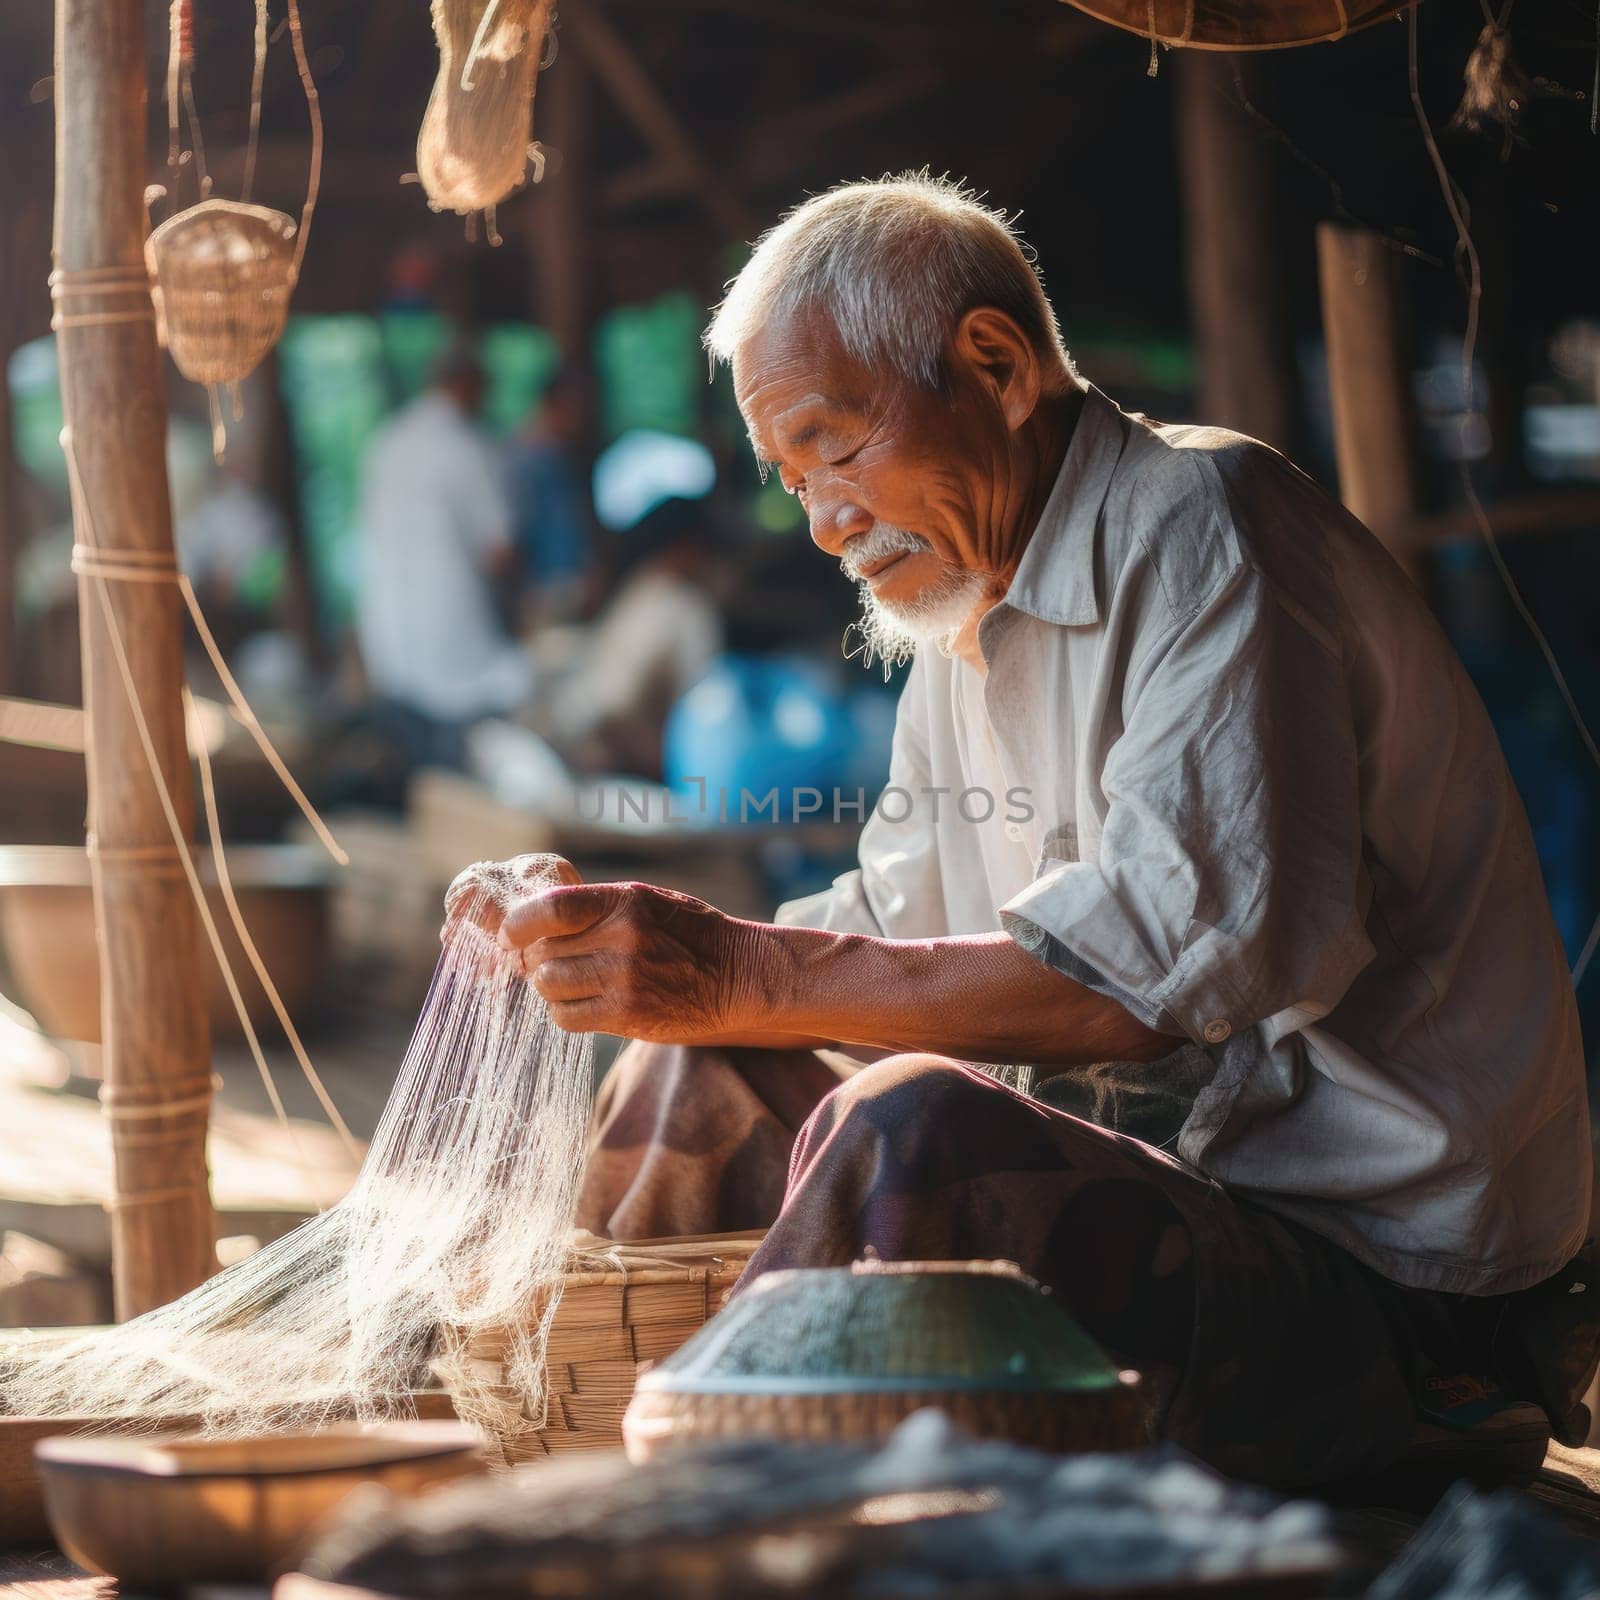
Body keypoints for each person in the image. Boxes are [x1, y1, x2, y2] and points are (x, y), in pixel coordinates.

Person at [453, 175, 1599, 1489]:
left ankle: (705, 1513)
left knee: (907, 1133)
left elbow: (1160, 978)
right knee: (688, 1071)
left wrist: (735, 970)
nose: (823, 518)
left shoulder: (1207, 528)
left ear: (993, 365)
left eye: (836, 446)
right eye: (793, 477)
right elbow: (895, 929)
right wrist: (623, 958)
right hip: (1187, 1208)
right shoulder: (968, 614)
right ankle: (599, 1467)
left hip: (1389, 1298)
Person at [355, 344, 532, 769]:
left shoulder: (387, 441)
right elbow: (500, 551)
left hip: (388, 635)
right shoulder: (467, 446)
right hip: (454, 638)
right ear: (470, 385)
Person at [538, 495, 724, 776]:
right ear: (691, 546)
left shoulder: (637, 583)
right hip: (610, 748)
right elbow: (703, 708)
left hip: (568, 729)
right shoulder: (689, 609)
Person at [506, 366, 594, 625]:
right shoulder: (523, 458)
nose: (582, 419)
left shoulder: (560, 455)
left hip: (569, 591)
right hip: (542, 594)